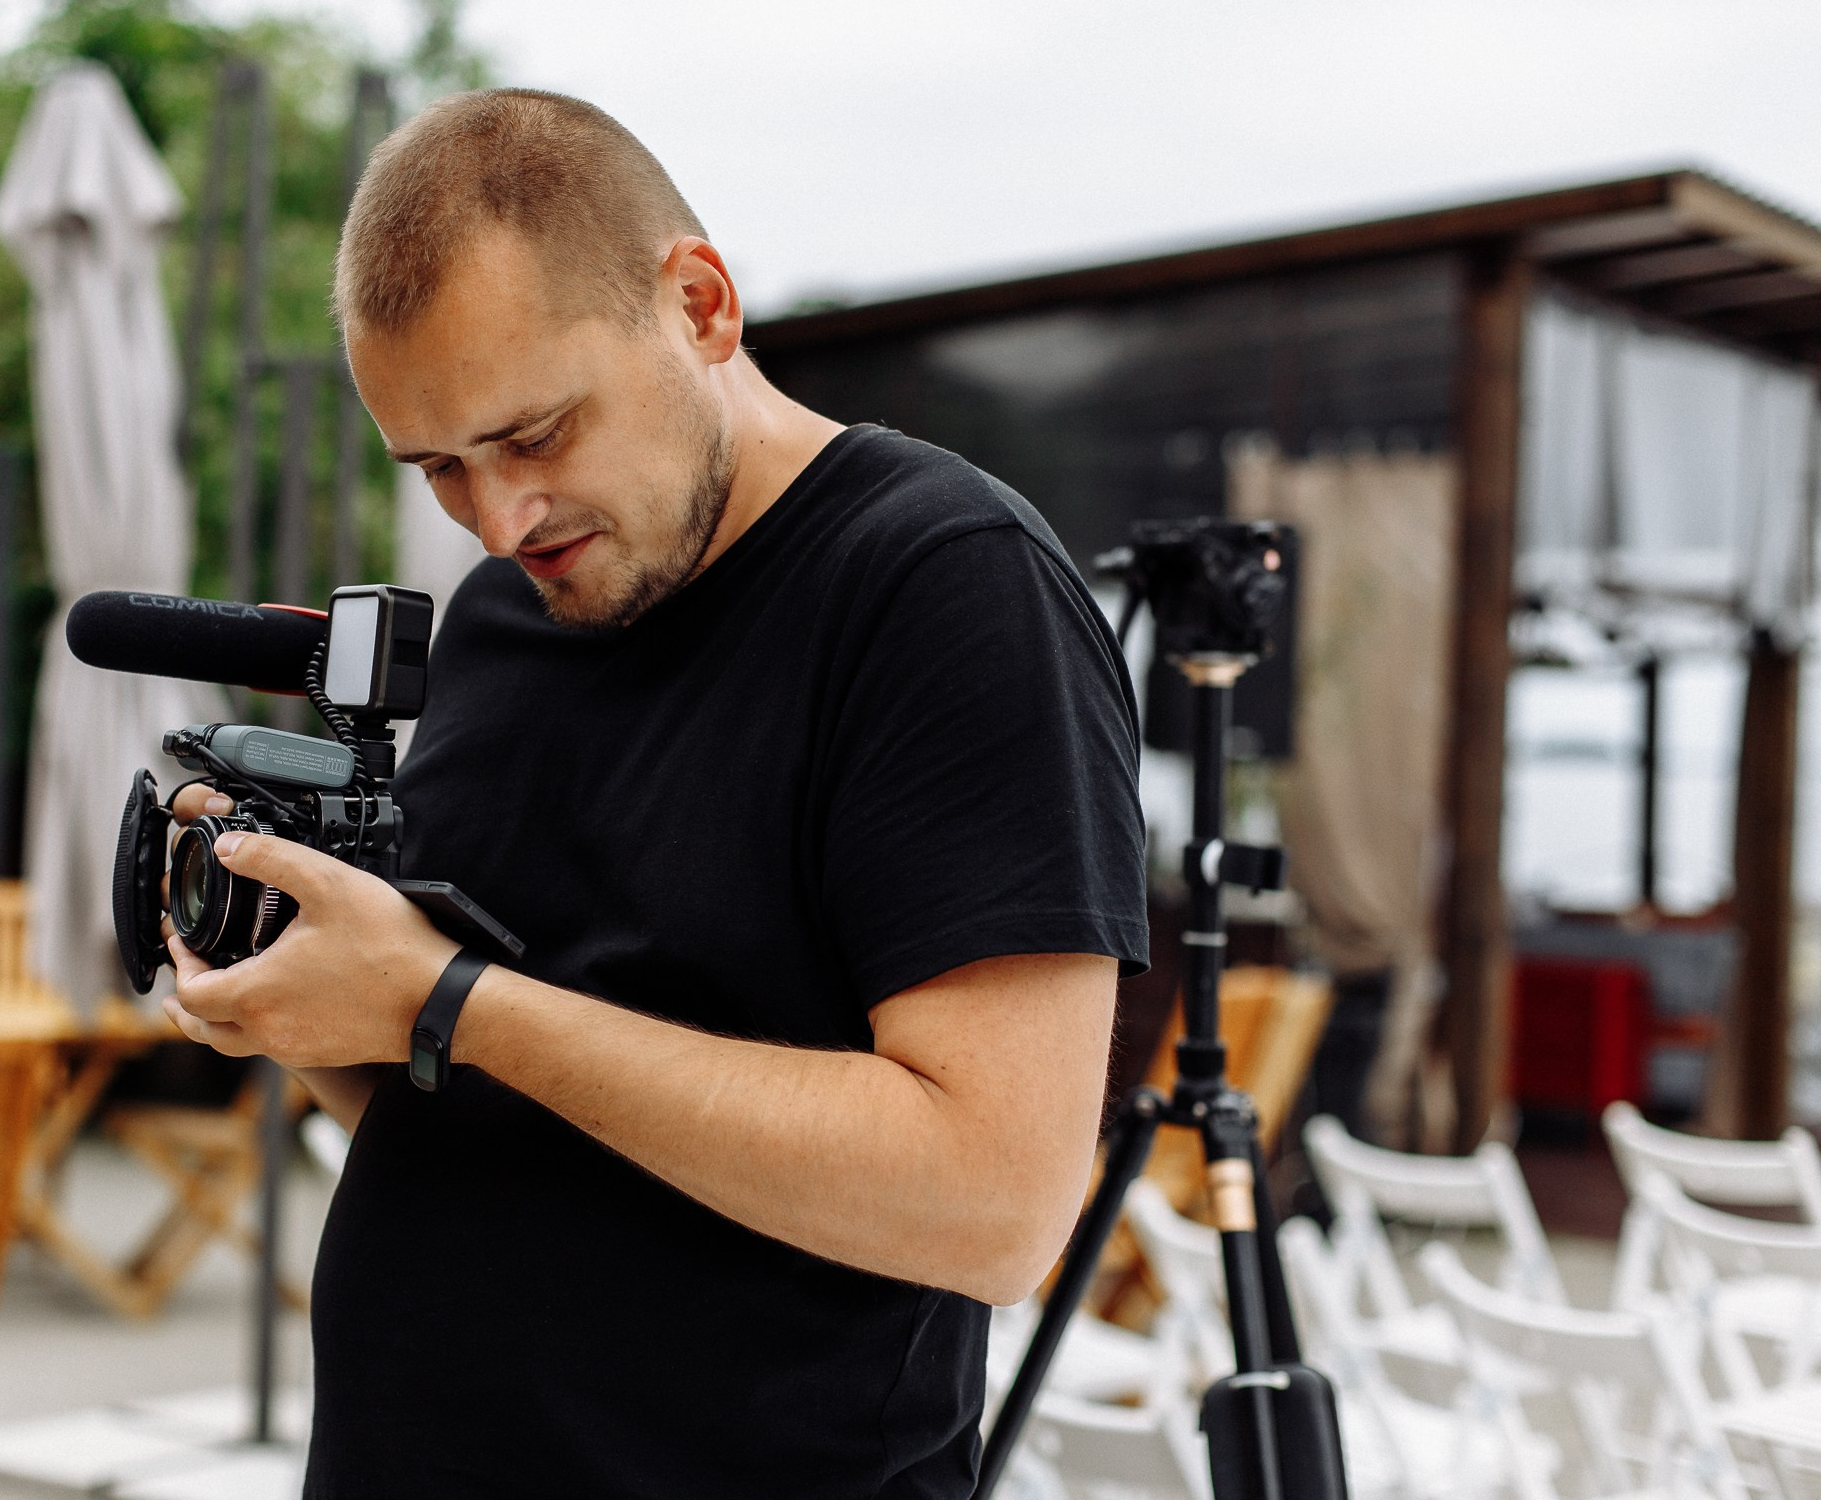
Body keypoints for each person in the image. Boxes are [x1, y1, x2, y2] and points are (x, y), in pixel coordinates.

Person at [161, 89, 1147, 1499]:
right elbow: (466, 1115)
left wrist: (449, 1002)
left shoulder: (944, 587)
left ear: (699, 304)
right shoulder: (513, 616)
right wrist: (305, 993)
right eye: (439, 468)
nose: (499, 520)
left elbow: (996, 1203)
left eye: (535, 435)